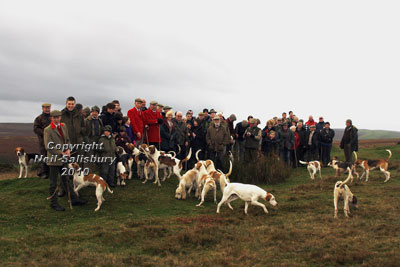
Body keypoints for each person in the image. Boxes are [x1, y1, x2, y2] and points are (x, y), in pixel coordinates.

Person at [44, 110, 87, 211]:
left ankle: (74, 199)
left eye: (58, 117)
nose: (56, 119)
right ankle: (54, 203)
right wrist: (61, 153)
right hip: (54, 160)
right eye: (54, 117)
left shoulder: (63, 126)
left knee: (66, 180)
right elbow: (48, 146)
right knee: (53, 182)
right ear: (51, 118)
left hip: (64, 158)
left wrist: (68, 149)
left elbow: (67, 140)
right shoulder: (48, 130)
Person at [33, 103, 52, 178]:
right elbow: (35, 129)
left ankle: (51, 171)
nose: (47, 109)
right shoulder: (39, 118)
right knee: (44, 155)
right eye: (46, 108)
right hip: (43, 141)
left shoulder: (53, 117)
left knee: (52, 155)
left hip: (52, 140)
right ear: (43, 108)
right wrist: (44, 133)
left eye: (48, 108)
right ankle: (42, 172)